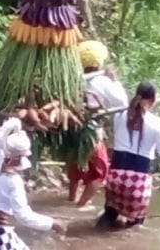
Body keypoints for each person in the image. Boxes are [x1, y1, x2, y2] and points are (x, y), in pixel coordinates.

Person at [0, 117, 67, 250]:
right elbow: (23, 216)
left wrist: (4, 133)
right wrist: (52, 223)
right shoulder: (12, 180)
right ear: (19, 157)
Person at [95, 81, 160, 230]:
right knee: (134, 228)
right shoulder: (156, 123)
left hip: (115, 176)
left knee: (109, 216)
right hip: (137, 182)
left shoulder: (119, 116)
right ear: (153, 101)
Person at [67, 40, 129, 208]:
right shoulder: (102, 81)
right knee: (100, 172)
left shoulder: (73, 78)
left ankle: (71, 198)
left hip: (72, 127)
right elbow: (122, 102)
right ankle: (79, 206)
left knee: (75, 164)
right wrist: (114, 80)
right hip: (91, 129)